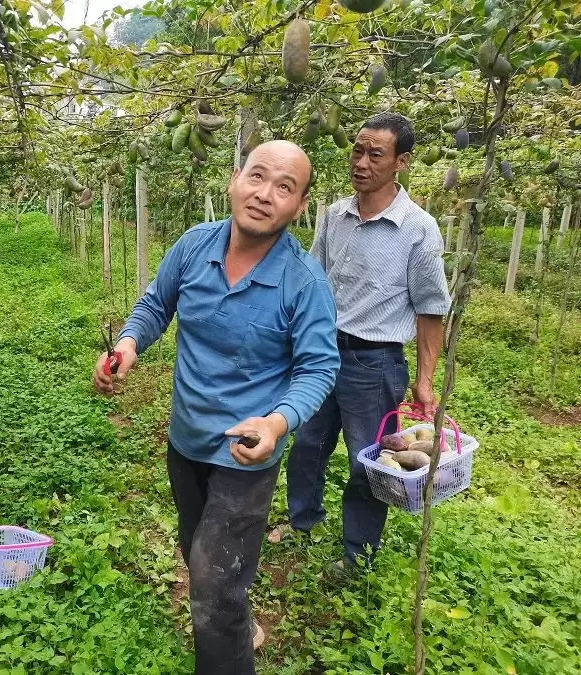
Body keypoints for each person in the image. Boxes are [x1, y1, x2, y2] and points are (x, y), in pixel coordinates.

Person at [92, 141, 340, 674]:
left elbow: (319, 368)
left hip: (245, 453)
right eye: (258, 176)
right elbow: (157, 304)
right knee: (199, 551)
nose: (265, 194)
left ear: (299, 208)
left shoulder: (305, 282)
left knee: (212, 582)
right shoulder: (193, 246)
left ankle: (226, 646)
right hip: (186, 440)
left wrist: (277, 423)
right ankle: (235, 612)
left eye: (285, 187)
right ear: (234, 180)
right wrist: (130, 344)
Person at [283, 113, 451, 576]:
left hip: (373, 363)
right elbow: (312, 279)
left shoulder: (418, 228)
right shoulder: (335, 215)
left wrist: (424, 379)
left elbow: (430, 310)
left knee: (368, 464)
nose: (361, 162)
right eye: (357, 150)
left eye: (375, 154)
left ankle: (358, 555)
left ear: (402, 162)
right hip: (321, 352)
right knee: (307, 443)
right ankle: (302, 520)